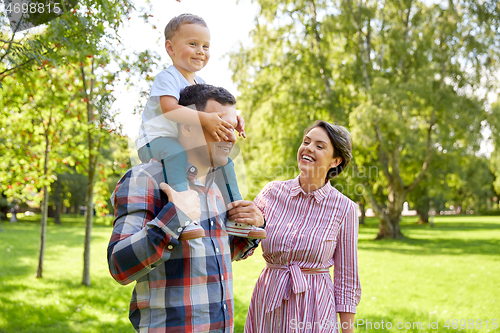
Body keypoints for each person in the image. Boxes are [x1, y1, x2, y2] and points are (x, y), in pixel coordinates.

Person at [108, 84, 265, 332]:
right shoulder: (146, 179)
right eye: (222, 126)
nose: (232, 137)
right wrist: (174, 218)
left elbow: (216, 254)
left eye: (233, 127)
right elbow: (119, 266)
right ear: (188, 125)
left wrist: (251, 226)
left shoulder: (218, 186)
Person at [135, 13, 264, 240]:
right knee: (176, 154)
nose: (200, 51)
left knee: (227, 164)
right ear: (170, 48)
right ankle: (184, 216)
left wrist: (235, 119)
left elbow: (215, 107)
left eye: (206, 45)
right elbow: (169, 109)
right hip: (155, 140)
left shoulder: (201, 83)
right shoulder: (168, 78)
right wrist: (205, 120)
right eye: (192, 44)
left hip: (177, 141)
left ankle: (236, 216)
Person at [244, 121, 362, 333]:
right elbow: (243, 247)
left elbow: (346, 280)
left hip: (315, 310)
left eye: (319, 145)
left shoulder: (345, 209)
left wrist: (347, 330)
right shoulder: (271, 193)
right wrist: (246, 226)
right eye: (306, 142)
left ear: (335, 160)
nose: (308, 148)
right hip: (269, 303)